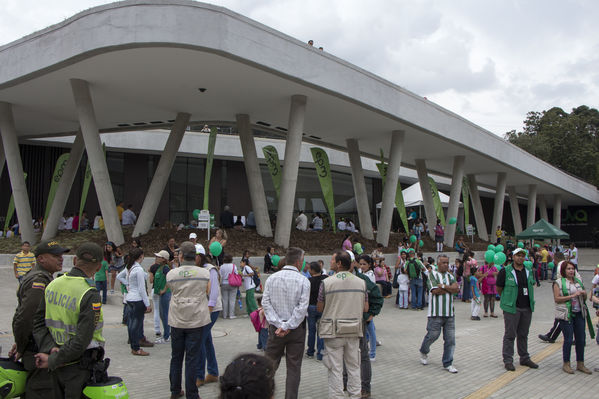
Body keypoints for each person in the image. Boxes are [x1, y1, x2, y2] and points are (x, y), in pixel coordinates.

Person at [32, 243, 105, 397]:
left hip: (56, 365)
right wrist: (54, 359)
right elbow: (82, 339)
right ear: (98, 267)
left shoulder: (53, 284)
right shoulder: (89, 293)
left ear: (74, 261)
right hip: (79, 368)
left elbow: (38, 323)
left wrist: (51, 350)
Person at [10, 240, 69, 398]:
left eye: (61, 255)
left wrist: (21, 341)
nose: (61, 258)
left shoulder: (43, 277)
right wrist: (22, 345)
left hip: (37, 347)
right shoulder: (39, 281)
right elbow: (27, 318)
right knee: (41, 392)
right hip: (38, 352)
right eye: (56, 255)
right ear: (41, 259)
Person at [317, 250, 367, 399]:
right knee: (354, 366)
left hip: (333, 331)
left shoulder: (326, 283)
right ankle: (355, 395)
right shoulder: (361, 283)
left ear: (339, 264)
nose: (331, 263)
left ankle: (337, 396)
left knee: (335, 368)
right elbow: (365, 308)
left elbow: (319, 308)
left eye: (333, 261)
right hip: (353, 330)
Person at [262, 247, 310, 399]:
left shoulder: (271, 278)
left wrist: (279, 324)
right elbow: (302, 308)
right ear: (298, 262)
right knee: (294, 367)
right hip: (296, 331)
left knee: (269, 365)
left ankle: (264, 394)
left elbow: (266, 303)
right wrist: (288, 325)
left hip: (275, 330)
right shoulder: (303, 281)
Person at [166, 241, 211, 399]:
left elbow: (171, 289)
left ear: (181, 256)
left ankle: (175, 390)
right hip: (196, 320)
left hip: (177, 320)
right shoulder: (204, 274)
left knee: (176, 357)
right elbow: (208, 291)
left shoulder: (172, 274)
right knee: (192, 358)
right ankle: (192, 394)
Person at [496, 247, 538, 371]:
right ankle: (508, 359)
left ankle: (524, 357)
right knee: (510, 334)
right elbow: (499, 288)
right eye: (518, 255)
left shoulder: (528, 270)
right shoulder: (506, 271)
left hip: (526, 307)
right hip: (512, 308)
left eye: (522, 255)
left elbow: (532, 284)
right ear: (513, 257)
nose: (520, 258)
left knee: (523, 334)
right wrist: (507, 298)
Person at [419, 254, 459, 373]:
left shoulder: (450, 276)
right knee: (432, 336)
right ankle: (424, 351)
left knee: (450, 340)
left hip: (449, 314)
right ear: (438, 263)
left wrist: (444, 286)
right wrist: (449, 288)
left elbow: (456, 289)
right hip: (435, 313)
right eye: (443, 263)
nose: (446, 265)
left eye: (447, 262)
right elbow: (435, 291)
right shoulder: (432, 275)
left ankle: (448, 363)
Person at [553, 260, 593, 374]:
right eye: (568, 269)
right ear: (563, 271)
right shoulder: (558, 283)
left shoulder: (578, 282)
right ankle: (566, 363)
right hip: (566, 315)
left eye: (572, 269)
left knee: (581, 339)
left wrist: (584, 295)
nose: (571, 271)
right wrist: (572, 296)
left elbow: (583, 299)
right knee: (568, 339)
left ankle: (580, 363)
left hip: (579, 313)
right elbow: (557, 299)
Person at [117, 248, 153, 356]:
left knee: (131, 324)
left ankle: (134, 346)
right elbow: (142, 289)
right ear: (141, 256)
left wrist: (127, 284)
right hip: (138, 299)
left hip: (129, 298)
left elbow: (120, 276)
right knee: (136, 324)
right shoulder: (139, 269)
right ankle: (136, 348)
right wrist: (147, 304)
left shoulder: (130, 267)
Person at [197, 253, 222, 388]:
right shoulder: (196, 269)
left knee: (200, 339)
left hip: (210, 309)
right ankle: (212, 372)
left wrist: (210, 307)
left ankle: (199, 376)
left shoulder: (210, 269)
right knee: (206, 340)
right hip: (202, 309)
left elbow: (213, 291)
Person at [306, 261, 327, 360]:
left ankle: (310, 351)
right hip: (322, 307)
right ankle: (320, 353)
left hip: (311, 307)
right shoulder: (325, 279)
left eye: (310, 268)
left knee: (311, 330)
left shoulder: (308, 280)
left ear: (313, 270)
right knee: (321, 331)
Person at [149, 250, 171, 344]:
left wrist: (165, 289)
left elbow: (170, 279)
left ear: (164, 259)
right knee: (162, 314)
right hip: (160, 294)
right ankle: (166, 334)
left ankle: (167, 335)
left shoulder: (165, 268)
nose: (157, 258)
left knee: (164, 314)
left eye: (159, 257)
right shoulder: (159, 268)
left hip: (165, 294)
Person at [219, 254, 239, 319]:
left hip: (224, 283)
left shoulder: (222, 266)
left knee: (224, 300)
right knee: (232, 300)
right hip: (232, 283)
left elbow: (220, 275)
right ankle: (231, 315)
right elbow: (236, 274)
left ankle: (224, 315)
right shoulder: (233, 266)